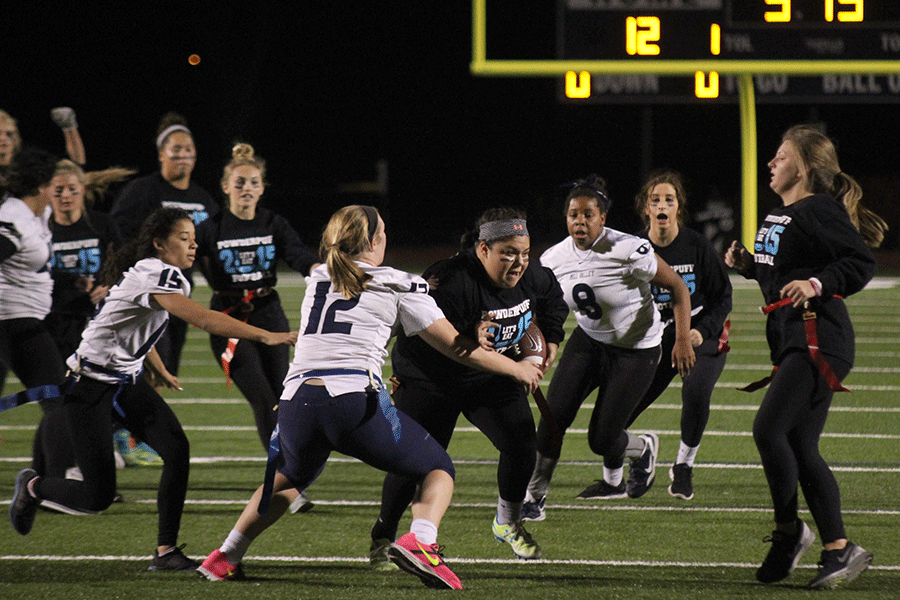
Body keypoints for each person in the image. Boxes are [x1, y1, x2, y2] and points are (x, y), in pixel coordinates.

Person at [197, 205, 543, 589]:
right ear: (376, 240)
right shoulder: (400, 283)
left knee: (290, 477)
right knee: (437, 468)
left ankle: (224, 556)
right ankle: (422, 543)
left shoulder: (319, 276)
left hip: (296, 400)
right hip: (350, 401)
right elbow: (457, 348)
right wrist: (517, 368)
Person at [8, 207, 298, 572]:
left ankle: (165, 551)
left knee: (177, 449)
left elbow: (135, 325)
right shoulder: (154, 273)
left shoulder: (164, 275)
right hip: (89, 387)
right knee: (96, 497)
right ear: (159, 244)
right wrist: (266, 335)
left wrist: (156, 366)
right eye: (183, 239)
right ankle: (34, 486)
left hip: (123, 382)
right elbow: (201, 317)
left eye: (194, 240)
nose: (193, 246)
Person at [725, 124, 884, 589]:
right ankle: (838, 548)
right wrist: (750, 266)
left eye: (780, 156)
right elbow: (784, 275)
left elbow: (860, 263)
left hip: (819, 338)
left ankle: (789, 533)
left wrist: (817, 285)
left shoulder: (818, 208)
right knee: (799, 444)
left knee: (768, 429)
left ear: (806, 167)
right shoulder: (787, 213)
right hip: (794, 337)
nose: (771, 163)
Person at [368, 207, 568, 565]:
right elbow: (432, 338)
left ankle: (507, 521)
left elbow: (553, 301)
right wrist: (474, 340)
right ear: (483, 249)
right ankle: (384, 531)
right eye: (508, 252)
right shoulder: (449, 280)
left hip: (489, 375)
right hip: (430, 378)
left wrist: (551, 340)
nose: (520, 261)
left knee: (522, 442)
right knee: (413, 465)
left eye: (524, 252)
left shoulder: (533, 274)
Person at [522, 175, 695, 521]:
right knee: (551, 420)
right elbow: (544, 307)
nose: (580, 222)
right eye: (573, 214)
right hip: (589, 341)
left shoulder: (630, 248)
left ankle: (642, 447)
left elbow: (678, 287)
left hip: (637, 349)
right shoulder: (553, 258)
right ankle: (535, 495)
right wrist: (543, 342)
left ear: (603, 218)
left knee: (602, 440)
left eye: (588, 215)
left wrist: (681, 338)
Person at [195, 142, 318, 512]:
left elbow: (297, 253)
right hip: (228, 318)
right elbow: (180, 257)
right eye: (240, 182)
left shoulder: (272, 223)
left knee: (284, 397)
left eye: (253, 182)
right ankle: (286, 484)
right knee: (263, 399)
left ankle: (290, 470)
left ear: (262, 188)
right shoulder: (210, 228)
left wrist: (318, 271)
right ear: (225, 187)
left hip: (269, 312)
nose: (246, 188)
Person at [604, 170, 732, 501]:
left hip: (695, 336)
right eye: (655, 199)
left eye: (669, 200)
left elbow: (723, 297)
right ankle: (632, 463)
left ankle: (684, 466)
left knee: (696, 392)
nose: (662, 205)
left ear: (679, 208)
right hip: (653, 340)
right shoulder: (631, 248)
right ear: (645, 208)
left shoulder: (697, 245)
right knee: (618, 412)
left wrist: (701, 332)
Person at [109, 112, 218, 376]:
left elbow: (209, 251)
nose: (183, 154)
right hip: (146, 298)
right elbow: (114, 235)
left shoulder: (204, 199)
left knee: (165, 371)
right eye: (176, 149)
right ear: (161, 154)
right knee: (142, 371)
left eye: (189, 149)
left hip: (180, 298)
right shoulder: (142, 190)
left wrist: (222, 290)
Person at [0, 148, 72, 483]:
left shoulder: (35, 214)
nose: (58, 193)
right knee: (57, 399)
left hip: (25, 322)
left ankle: (42, 482)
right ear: (41, 186)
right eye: (54, 185)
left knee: (57, 399)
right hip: (11, 324)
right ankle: (48, 482)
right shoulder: (14, 219)